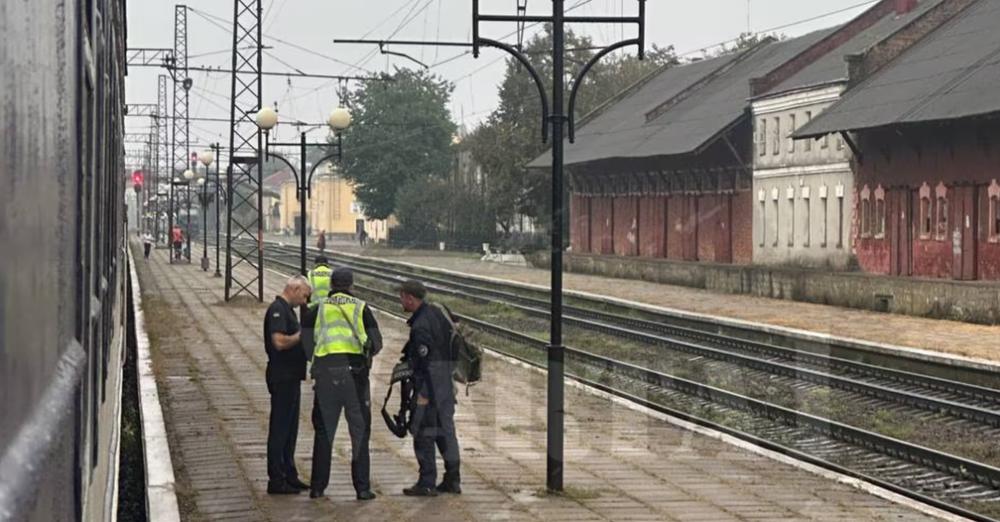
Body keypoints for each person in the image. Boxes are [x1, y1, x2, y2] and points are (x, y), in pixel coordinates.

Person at [308, 267, 382, 501]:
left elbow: (307, 344)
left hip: (325, 377)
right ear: (351, 285)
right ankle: (362, 488)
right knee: (359, 433)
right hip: (355, 378)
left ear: (331, 285)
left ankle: (317, 487)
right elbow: (377, 343)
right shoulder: (361, 308)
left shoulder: (317, 309)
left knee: (323, 433)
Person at [398, 280, 461, 497]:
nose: (401, 301)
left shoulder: (421, 325)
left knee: (423, 433)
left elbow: (428, 362)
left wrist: (424, 394)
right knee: (445, 433)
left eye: (402, 297)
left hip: (431, 387)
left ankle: (426, 482)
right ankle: (453, 480)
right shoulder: (438, 311)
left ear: (410, 298)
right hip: (446, 384)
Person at [262, 276, 313, 495]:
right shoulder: (278, 310)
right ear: (294, 288)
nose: (305, 301)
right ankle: (276, 479)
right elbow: (279, 342)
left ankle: (289, 474)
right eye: (304, 295)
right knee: (280, 429)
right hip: (282, 376)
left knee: (291, 429)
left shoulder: (288, 310)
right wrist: (301, 336)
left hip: (291, 376)